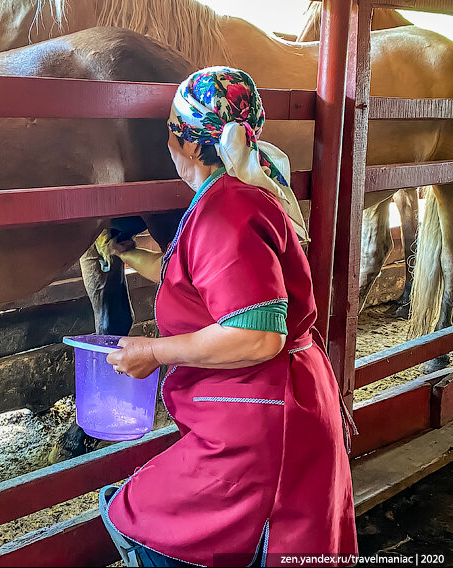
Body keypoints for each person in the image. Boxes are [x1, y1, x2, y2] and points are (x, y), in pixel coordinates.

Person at [97, 67, 358, 567]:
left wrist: (152, 352)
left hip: (261, 414)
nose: (167, 140)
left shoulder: (226, 212)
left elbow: (255, 334)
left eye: (172, 127)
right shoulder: (231, 194)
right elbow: (203, 282)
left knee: (140, 517)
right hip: (279, 404)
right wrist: (131, 255)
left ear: (194, 145)